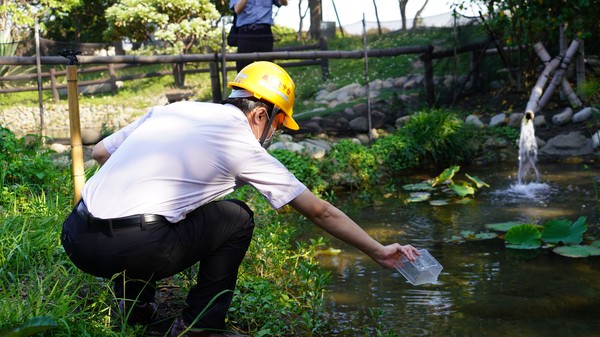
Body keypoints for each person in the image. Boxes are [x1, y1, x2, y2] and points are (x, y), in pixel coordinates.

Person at [60, 61, 419, 337]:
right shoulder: (242, 143)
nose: (275, 133)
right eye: (279, 124)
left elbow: (102, 152)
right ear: (262, 113)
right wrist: (377, 250)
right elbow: (320, 212)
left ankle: (134, 307)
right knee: (237, 217)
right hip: (135, 247)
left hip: (77, 237)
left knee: (156, 213)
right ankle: (200, 325)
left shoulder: (177, 109)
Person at [230, 0, 287, 72]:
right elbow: (237, 9)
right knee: (243, 67)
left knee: (267, 68)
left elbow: (284, 3)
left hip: (264, 33)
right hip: (245, 33)